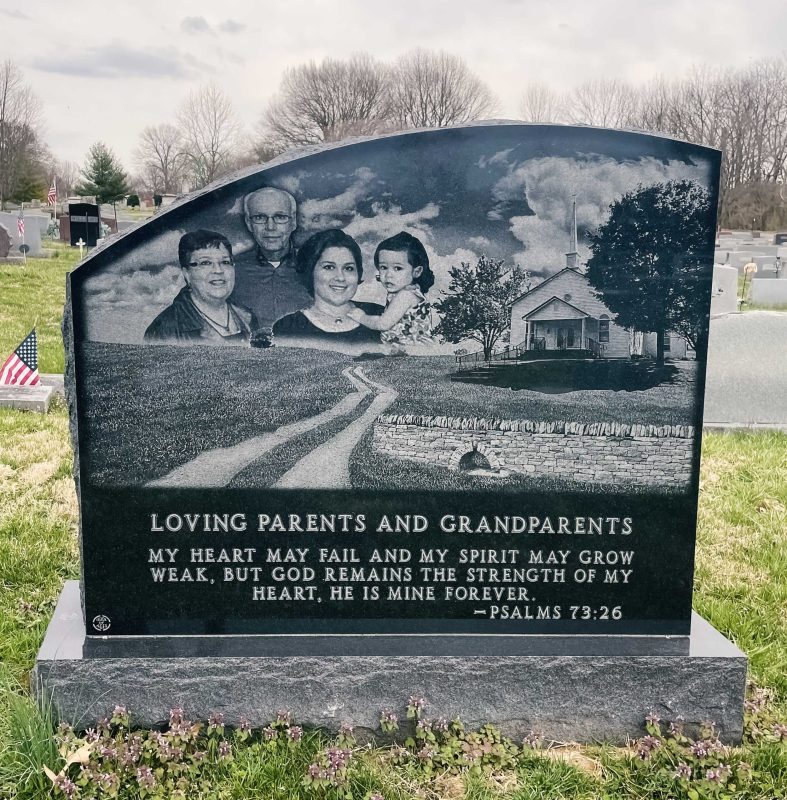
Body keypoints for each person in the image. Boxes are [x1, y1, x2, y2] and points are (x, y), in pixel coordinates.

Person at [272, 229, 383, 350]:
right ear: (310, 271)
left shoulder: (381, 314)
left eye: (349, 268)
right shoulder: (287, 328)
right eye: (329, 267)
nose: (340, 277)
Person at [144, 230, 256, 345]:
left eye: (225, 262)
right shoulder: (164, 329)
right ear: (187, 274)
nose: (218, 270)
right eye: (205, 263)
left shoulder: (248, 317)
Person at [229, 187, 311, 343]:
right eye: (260, 217)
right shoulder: (230, 269)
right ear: (248, 222)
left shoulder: (315, 265)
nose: (270, 227)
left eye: (280, 217)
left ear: (293, 222)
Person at [347, 231, 435, 346]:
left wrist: (361, 317)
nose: (388, 274)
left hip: (411, 349)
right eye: (383, 267)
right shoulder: (409, 292)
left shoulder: (406, 295)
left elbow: (382, 324)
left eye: (397, 268)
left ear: (416, 272)